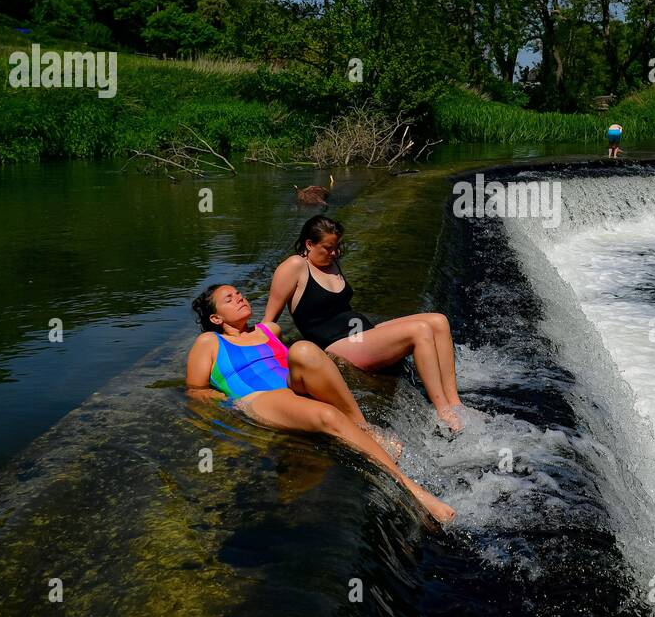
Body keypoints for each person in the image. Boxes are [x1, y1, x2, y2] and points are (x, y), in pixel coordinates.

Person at [186, 283, 455, 525]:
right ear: (216, 318)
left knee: (304, 349)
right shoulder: (209, 341)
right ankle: (415, 492)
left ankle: (363, 426)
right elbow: (196, 390)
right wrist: (228, 403)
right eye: (229, 299)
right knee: (327, 416)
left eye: (239, 293)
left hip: (293, 387)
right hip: (258, 398)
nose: (240, 298)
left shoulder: (270, 330)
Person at [264, 216, 467, 432]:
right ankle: (443, 412)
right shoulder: (294, 266)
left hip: (359, 333)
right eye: (328, 248)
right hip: (337, 344)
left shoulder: (330, 262)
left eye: (337, 247)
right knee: (419, 330)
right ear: (309, 244)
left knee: (438, 321)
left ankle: (455, 403)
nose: (334, 253)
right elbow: (269, 322)